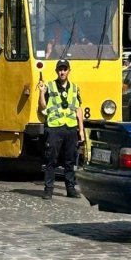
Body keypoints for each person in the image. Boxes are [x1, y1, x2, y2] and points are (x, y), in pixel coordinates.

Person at [38, 59, 84, 199]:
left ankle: (70, 188)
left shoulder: (75, 88)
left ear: (69, 70)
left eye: (65, 69)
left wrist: (81, 129)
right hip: (54, 128)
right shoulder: (49, 86)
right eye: (60, 69)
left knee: (70, 159)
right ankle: (48, 189)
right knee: (51, 159)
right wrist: (41, 93)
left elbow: (78, 109)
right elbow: (43, 107)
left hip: (70, 128)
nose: (62, 72)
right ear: (56, 71)